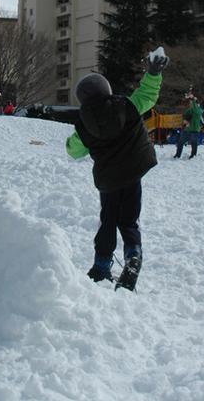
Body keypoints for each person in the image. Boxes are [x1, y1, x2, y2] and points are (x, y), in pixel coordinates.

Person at [66, 48, 169, 291]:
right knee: (129, 220)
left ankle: (101, 266)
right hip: (133, 173)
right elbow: (148, 95)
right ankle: (133, 254)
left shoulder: (84, 125)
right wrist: (153, 73)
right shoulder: (127, 106)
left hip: (108, 181)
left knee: (108, 221)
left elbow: (73, 151)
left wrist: (73, 140)